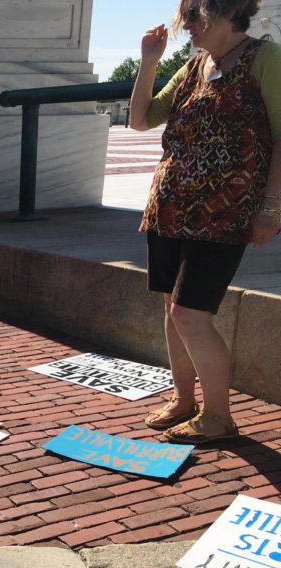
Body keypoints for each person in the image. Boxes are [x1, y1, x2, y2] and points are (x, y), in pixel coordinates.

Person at [130, 0, 281, 445]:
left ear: (224, 12)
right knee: (171, 310)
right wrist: (149, 62)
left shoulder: (266, 60)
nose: (186, 28)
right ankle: (184, 400)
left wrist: (272, 208)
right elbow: (140, 119)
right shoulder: (195, 66)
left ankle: (219, 415)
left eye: (192, 18)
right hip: (169, 206)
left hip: (224, 212)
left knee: (190, 314)